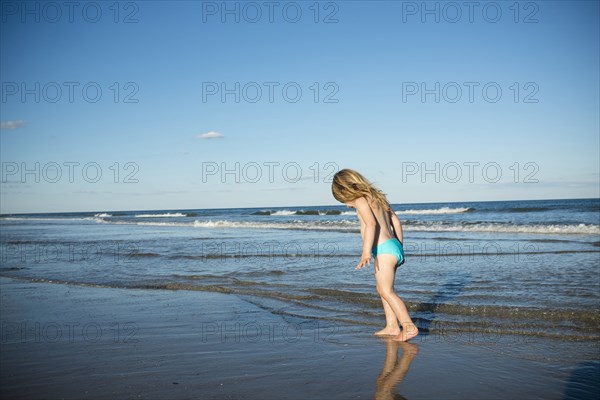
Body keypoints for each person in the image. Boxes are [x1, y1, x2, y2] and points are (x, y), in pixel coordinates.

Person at [331, 169, 418, 341]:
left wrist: (365, 252)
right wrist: (400, 247)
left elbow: (371, 224)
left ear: (347, 190)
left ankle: (408, 326)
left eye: (344, 200)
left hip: (384, 250)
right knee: (383, 290)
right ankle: (392, 326)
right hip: (393, 245)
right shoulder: (378, 197)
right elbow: (396, 222)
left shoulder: (360, 199)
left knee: (386, 290)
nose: (347, 205)